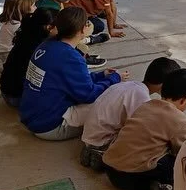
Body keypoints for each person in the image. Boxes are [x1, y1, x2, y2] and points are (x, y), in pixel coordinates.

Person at [19, 7, 124, 141]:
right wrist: (114, 79)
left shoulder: (47, 45)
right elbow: (88, 95)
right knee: (112, 101)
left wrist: (101, 75)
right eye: (87, 23)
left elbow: (71, 79)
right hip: (50, 126)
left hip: (32, 115)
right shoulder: (70, 57)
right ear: (82, 30)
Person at [103, 68, 186, 190]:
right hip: (133, 179)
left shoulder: (146, 105)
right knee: (179, 161)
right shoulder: (180, 120)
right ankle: (163, 189)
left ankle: (100, 154)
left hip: (110, 170)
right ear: (185, 99)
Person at [79, 57, 181, 170]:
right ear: (164, 84)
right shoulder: (142, 98)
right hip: (101, 140)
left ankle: (95, 151)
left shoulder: (130, 86)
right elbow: (139, 132)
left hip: (90, 135)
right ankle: (100, 154)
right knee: (153, 145)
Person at [37, 0, 107, 66]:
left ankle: (86, 42)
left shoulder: (52, 2)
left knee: (92, 25)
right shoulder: (51, 10)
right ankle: (83, 56)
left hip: (52, 38)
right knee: (83, 30)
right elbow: (58, 33)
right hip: (47, 42)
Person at [0, 8, 55, 108]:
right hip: (18, 98)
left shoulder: (28, 35)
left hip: (8, 92)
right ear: (49, 27)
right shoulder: (39, 47)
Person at [0, 0, 36, 64]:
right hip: (8, 52)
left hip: (4, 50)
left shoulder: (11, 22)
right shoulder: (16, 25)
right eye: (33, 6)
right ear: (23, 8)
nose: (35, 8)